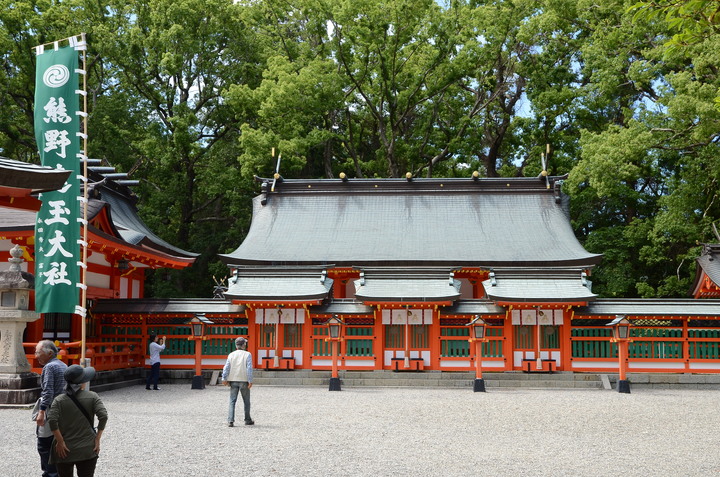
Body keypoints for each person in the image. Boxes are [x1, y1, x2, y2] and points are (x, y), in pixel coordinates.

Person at [48, 365, 108, 477]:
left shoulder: (59, 400)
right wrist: (97, 438)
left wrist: (60, 441)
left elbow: (52, 420)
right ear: (82, 382)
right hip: (87, 448)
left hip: (64, 448)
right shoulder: (93, 396)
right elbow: (103, 416)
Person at [34, 340, 68, 477]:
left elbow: (48, 391)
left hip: (51, 409)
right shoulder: (64, 365)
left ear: (49, 353)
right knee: (57, 443)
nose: (36, 355)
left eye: (37, 352)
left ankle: (50, 473)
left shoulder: (49, 367)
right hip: (63, 410)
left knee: (44, 444)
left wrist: (41, 411)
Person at [221, 337, 254, 427]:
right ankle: (247, 419)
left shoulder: (231, 354)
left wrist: (224, 378)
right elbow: (249, 368)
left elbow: (226, 367)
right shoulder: (247, 354)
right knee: (246, 401)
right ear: (243, 345)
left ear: (236, 345)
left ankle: (230, 420)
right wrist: (250, 380)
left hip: (233, 379)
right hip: (244, 380)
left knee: (232, 400)